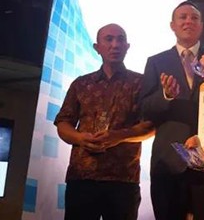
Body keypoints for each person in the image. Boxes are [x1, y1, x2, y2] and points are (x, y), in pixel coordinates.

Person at [139, 1, 204, 220]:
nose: (188, 21)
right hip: (169, 162)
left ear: (202, 25)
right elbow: (144, 109)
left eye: (194, 18)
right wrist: (166, 95)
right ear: (172, 25)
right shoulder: (156, 62)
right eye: (182, 17)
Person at [54, 23, 154, 220]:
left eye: (120, 39)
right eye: (108, 39)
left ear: (127, 46)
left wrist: (118, 136)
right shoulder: (81, 83)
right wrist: (80, 138)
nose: (115, 44)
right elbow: (63, 122)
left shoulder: (141, 83)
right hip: (82, 176)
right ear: (97, 47)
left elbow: (150, 126)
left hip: (123, 179)